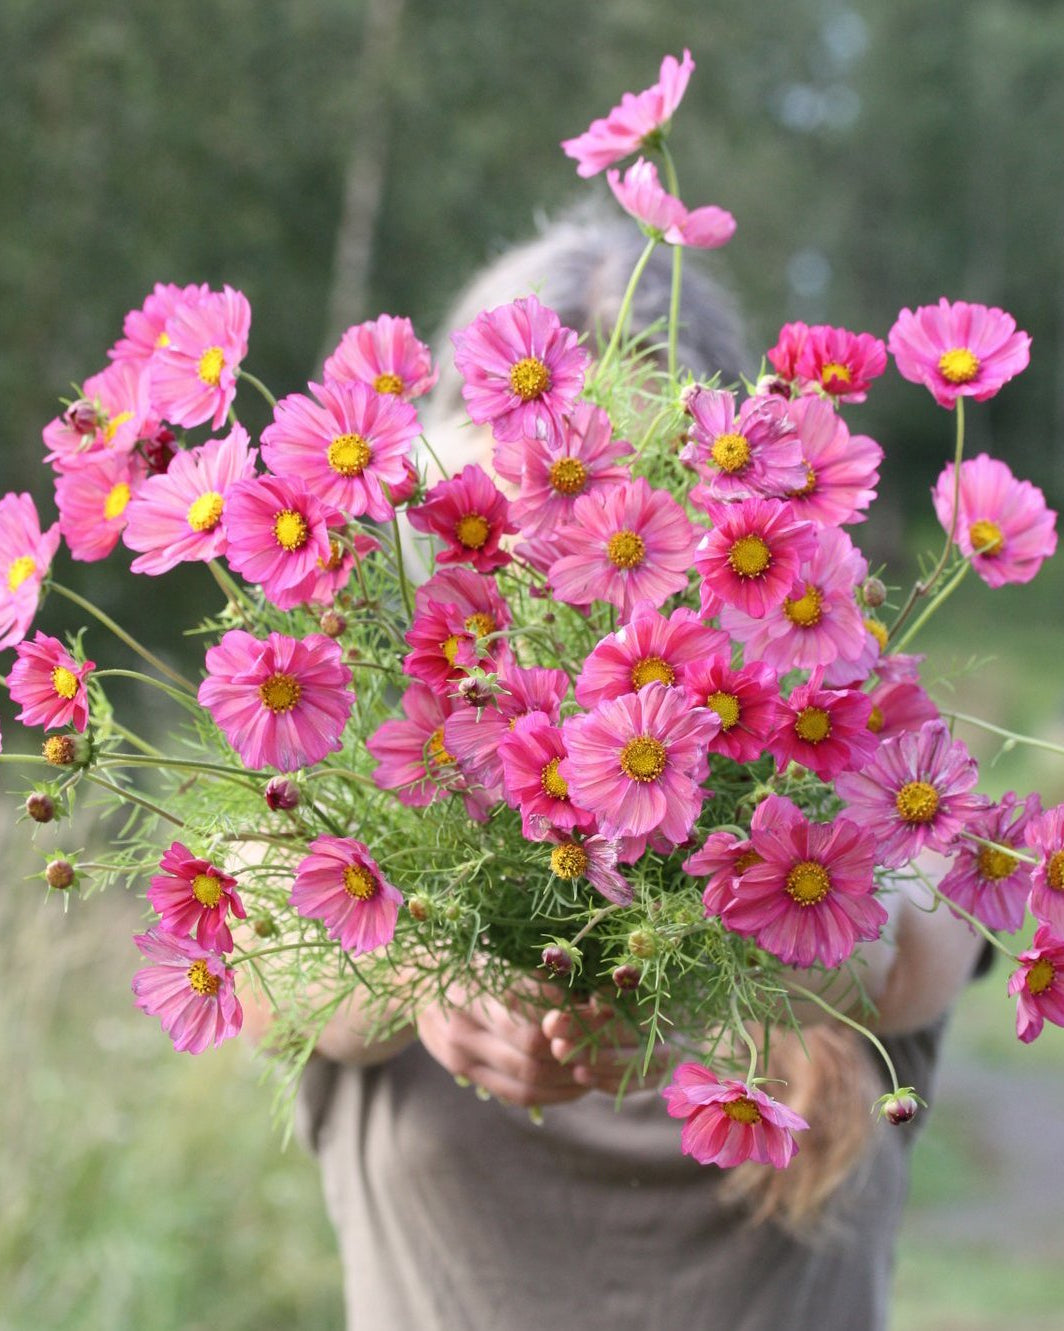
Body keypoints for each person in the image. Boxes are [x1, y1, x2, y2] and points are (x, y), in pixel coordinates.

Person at [246, 208, 987, 1331]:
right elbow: (263, 954)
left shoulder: (848, 747)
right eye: (522, 490)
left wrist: (704, 988)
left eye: (614, 478)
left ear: (742, 499)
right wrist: (417, 969)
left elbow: (916, 939)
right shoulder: (354, 767)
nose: (564, 534)